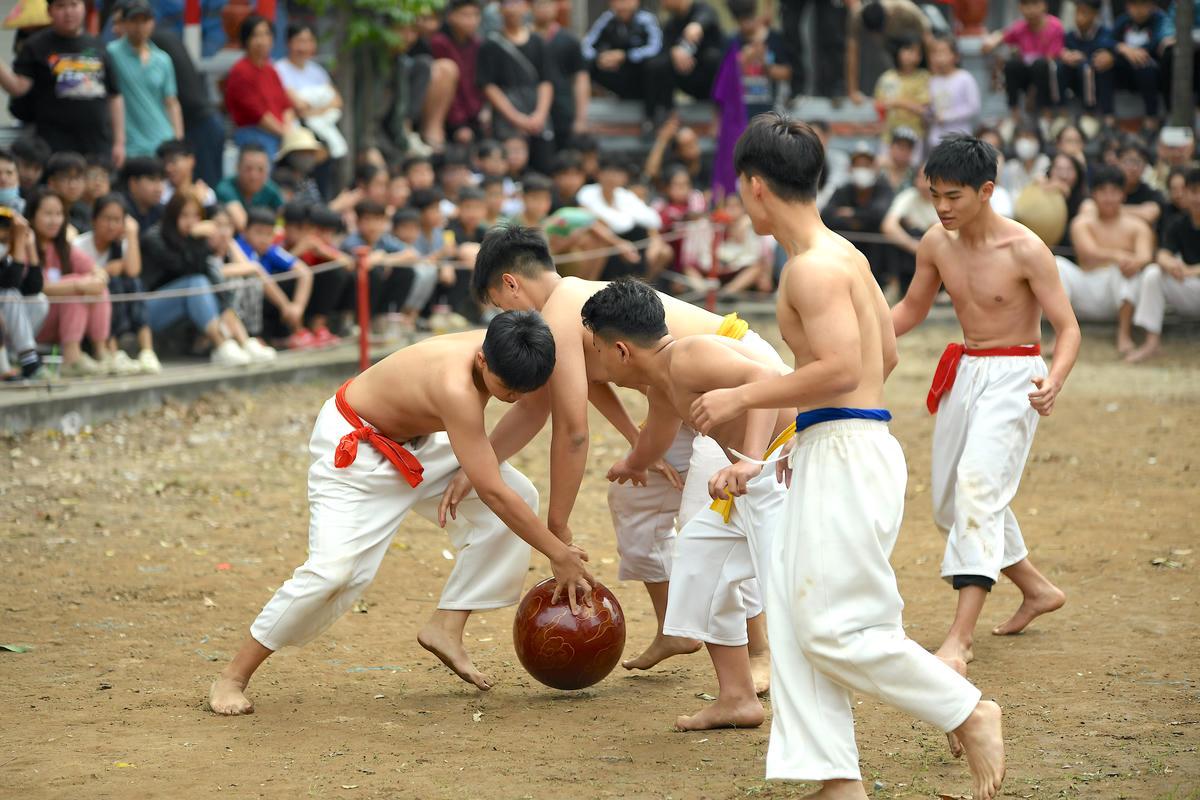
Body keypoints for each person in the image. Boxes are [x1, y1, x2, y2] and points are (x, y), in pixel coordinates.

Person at [689, 114, 1005, 800]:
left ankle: (965, 708)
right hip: (837, 441)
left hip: (848, 445)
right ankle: (834, 779)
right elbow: (882, 356)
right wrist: (781, 450)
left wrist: (745, 394)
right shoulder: (842, 256)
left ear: (754, 186)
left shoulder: (812, 269)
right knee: (798, 616)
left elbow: (841, 366)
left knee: (832, 627)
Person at [206, 307, 595, 715]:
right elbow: (493, 493)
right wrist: (557, 551)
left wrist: (477, 470)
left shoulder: (514, 344)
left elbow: (516, 446)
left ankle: (447, 626)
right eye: (508, 388)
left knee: (520, 492)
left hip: (423, 444)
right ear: (483, 359)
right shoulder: (456, 385)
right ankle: (233, 676)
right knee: (333, 573)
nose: (515, 397)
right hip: (358, 451)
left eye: (523, 389)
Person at [470, 224, 774, 689]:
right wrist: (636, 444)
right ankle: (675, 627)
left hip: (736, 381)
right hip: (675, 400)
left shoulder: (561, 310)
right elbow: (586, 382)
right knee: (635, 500)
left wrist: (557, 528)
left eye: (498, 302)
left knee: (712, 521)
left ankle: (760, 651)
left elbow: (572, 434)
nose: (504, 314)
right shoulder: (568, 309)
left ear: (510, 282)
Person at [892, 135, 1078, 697]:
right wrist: (848, 334)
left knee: (976, 487)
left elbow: (1066, 329)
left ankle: (960, 637)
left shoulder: (1026, 249)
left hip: (1017, 376)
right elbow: (910, 310)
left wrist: (1055, 379)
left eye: (953, 196)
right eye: (933, 195)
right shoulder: (934, 243)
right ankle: (1038, 589)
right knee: (951, 503)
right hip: (965, 371)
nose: (942, 206)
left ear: (986, 191)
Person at [585, 279, 790, 731]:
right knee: (699, 559)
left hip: (783, 463)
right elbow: (655, 438)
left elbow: (766, 378)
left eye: (597, 350)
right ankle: (736, 698)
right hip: (749, 473)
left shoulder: (691, 354)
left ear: (621, 350)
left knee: (792, 589)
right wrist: (630, 463)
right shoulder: (663, 385)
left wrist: (752, 460)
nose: (596, 362)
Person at [0, 0, 125, 166]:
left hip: (97, 146)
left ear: (84, 8)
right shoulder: (35, 46)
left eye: (74, 5)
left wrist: (119, 143)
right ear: (50, 11)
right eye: (61, 6)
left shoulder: (98, 45)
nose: (68, 12)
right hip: (54, 147)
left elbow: (114, 97)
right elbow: (18, 87)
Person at [139, 190, 253, 367]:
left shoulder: (194, 240)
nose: (191, 221)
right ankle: (221, 344)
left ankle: (243, 341)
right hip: (147, 311)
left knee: (212, 283)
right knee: (197, 283)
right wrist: (194, 239)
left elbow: (207, 273)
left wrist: (226, 307)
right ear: (172, 215)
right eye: (184, 215)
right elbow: (182, 268)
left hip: (184, 306)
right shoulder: (155, 238)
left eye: (195, 215)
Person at [1056, 165, 1155, 355]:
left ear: (1123, 195)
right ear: (1094, 195)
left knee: (1126, 269)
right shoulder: (1082, 223)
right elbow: (1087, 252)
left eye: (1114, 192)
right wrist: (1118, 255)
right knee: (1057, 264)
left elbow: (1145, 256)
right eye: (1103, 192)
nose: (1109, 198)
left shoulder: (1137, 226)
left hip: (1118, 293)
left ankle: (1124, 334)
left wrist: (1133, 262)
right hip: (1085, 288)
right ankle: (1060, 334)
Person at [27, 188, 112, 378]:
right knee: (76, 287)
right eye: (48, 214)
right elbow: (37, 287)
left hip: (62, 323)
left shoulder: (62, 247)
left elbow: (96, 269)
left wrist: (98, 279)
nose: (54, 220)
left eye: (58, 214)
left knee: (97, 288)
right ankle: (72, 358)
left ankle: (101, 351)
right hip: (34, 322)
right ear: (32, 217)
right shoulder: (25, 246)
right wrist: (78, 285)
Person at [72, 193, 161, 374]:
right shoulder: (79, 245)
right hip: (87, 307)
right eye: (106, 218)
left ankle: (147, 351)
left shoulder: (122, 245)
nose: (112, 225)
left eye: (117, 220)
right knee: (110, 284)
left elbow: (134, 271)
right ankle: (110, 352)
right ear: (94, 219)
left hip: (120, 307)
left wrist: (132, 235)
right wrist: (105, 272)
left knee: (133, 283)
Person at [1128, 167, 1200, 363]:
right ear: (1185, 193)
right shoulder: (1178, 223)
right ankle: (1152, 343)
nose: (1198, 198)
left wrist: (1191, 270)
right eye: (1194, 191)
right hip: (1190, 288)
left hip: (1191, 277)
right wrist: (1168, 263)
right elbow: (1162, 253)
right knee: (1153, 273)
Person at [477, 0, 555, 175]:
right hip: (507, 116)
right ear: (499, 9)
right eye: (507, 3)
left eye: (516, 2)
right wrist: (516, 118)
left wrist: (540, 115)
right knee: (508, 165)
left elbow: (546, 81)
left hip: (537, 112)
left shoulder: (538, 42)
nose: (512, 8)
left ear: (526, 7)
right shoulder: (490, 44)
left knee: (543, 166)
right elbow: (488, 86)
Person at [106, 0, 182, 159]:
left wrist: (178, 143)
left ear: (152, 23)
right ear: (125, 24)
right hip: (130, 146)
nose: (140, 26)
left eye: (145, 20)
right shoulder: (111, 53)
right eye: (134, 21)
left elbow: (171, 102)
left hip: (162, 141)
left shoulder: (162, 59)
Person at [275, 22, 348, 177]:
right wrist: (319, 105)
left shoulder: (317, 71)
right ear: (289, 43)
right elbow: (298, 105)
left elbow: (337, 102)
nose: (304, 47)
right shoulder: (280, 69)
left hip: (321, 136)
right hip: (296, 137)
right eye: (300, 41)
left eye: (308, 41)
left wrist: (311, 112)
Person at [821, 141, 895, 288]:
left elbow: (879, 215)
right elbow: (826, 216)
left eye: (867, 165)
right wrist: (859, 221)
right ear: (850, 168)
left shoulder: (884, 189)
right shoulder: (843, 190)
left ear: (875, 168)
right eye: (858, 165)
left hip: (876, 259)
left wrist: (851, 214)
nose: (862, 169)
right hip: (845, 254)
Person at [224, 15, 295, 163]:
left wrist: (288, 130)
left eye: (266, 34)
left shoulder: (271, 70)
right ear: (246, 40)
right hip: (255, 136)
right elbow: (257, 114)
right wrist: (285, 133)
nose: (262, 41)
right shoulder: (240, 71)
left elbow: (286, 104)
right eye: (256, 35)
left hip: (280, 133)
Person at [981, 0, 1064, 123]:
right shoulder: (1020, 27)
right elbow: (1002, 36)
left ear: (1044, 6)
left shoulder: (1055, 26)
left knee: (1041, 65)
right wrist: (990, 41)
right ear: (1020, 7)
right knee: (1011, 65)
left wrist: (1031, 95)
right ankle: (1014, 111)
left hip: (1048, 78)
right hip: (1027, 76)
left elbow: (1052, 58)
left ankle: (1045, 111)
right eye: (1026, 5)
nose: (1030, 10)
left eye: (1035, 4)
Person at [645, 0, 725, 122]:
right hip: (687, 77)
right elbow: (664, 53)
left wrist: (697, 25)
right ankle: (663, 114)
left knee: (713, 58)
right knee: (655, 65)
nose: (661, 3)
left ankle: (720, 113)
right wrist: (674, 51)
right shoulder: (670, 25)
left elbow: (705, 17)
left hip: (710, 81)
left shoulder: (703, 9)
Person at [581, 0, 663, 118]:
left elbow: (656, 48)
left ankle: (651, 117)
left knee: (655, 66)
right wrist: (601, 57)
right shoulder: (606, 19)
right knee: (583, 63)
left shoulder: (647, 20)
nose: (622, 6)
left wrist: (626, 56)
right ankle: (583, 113)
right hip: (614, 71)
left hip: (638, 73)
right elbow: (586, 46)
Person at [845, 0, 933, 107]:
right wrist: (852, 91)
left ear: (889, 13)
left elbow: (928, 39)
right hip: (892, 47)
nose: (877, 35)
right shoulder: (858, 17)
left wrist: (935, 76)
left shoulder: (904, 9)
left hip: (914, 41)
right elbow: (852, 52)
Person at [0, 208, 50, 380]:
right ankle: (28, 360)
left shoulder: (6, 257)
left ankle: (17, 356)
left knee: (39, 301)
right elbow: (10, 283)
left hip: (7, 334)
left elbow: (34, 287)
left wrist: (30, 248)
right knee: (9, 294)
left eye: (7, 235)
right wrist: (20, 242)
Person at [531, 0, 589, 150]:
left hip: (562, 109)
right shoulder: (524, 39)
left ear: (557, 7)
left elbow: (581, 78)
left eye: (548, 4)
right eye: (540, 4)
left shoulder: (569, 40)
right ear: (531, 8)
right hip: (530, 110)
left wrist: (581, 118)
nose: (544, 8)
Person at [430, 0, 486, 145]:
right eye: (465, 15)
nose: (471, 21)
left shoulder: (477, 44)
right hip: (450, 118)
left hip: (474, 116)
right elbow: (447, 89)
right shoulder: (439, 42)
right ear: (450, 16)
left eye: (475, 15)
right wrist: (459, 123)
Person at [1111, 0, 1169, 130]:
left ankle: (1151, 116)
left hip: (1153, 70)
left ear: (1152, 5)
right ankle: (1108, 115)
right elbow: (1109, 40)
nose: (1138, 10)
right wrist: (1122, 48)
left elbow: (1157, 42)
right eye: (1134, 5)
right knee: (1106, 60)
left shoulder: (1160, 19)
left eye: (1142, 5)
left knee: (1143, 64)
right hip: (1127, 69)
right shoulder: (1123, 20)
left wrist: (1136, 52)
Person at [1057, 0, 1116, 127]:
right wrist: (1066, 55)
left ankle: (1092, 113)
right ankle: (1061, 111)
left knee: (1089, 67)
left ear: (1095, 15)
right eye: (1077, 12)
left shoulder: (1105, 34)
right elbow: (1061, 51)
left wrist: (1084, 57)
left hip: (1097, 83)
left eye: (1084, 13)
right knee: (1060, 66)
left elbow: (1103, 52)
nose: (1079, 17)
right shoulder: (1069, 36)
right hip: (1075, 81)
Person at [873, 34, 929, 147]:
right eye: (908, 50)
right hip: (889, 137)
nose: (912, 56)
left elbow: (923, 109)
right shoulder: (887, 78)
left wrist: (896, 102)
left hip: (915, 136)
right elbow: (878, 104)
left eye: (917, 52)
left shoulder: (924, 77)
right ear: (897, 51)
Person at [926, 32, 980, 146]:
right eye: (935, 53)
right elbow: (931, 107)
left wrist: (947, 117)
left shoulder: (965, 78)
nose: (938, 57)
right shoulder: (933, 81)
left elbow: (973, 107)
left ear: (955, 56)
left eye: (943, 52)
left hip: (959, 138)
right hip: (936, 139)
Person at [216, 144, 286, 231]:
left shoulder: (271, 189)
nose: (254, 176)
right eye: (248, 168)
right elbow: (242, 225)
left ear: (268, 170)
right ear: (238, 168)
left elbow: (286, 219)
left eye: (260, 169)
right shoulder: (225, 188)